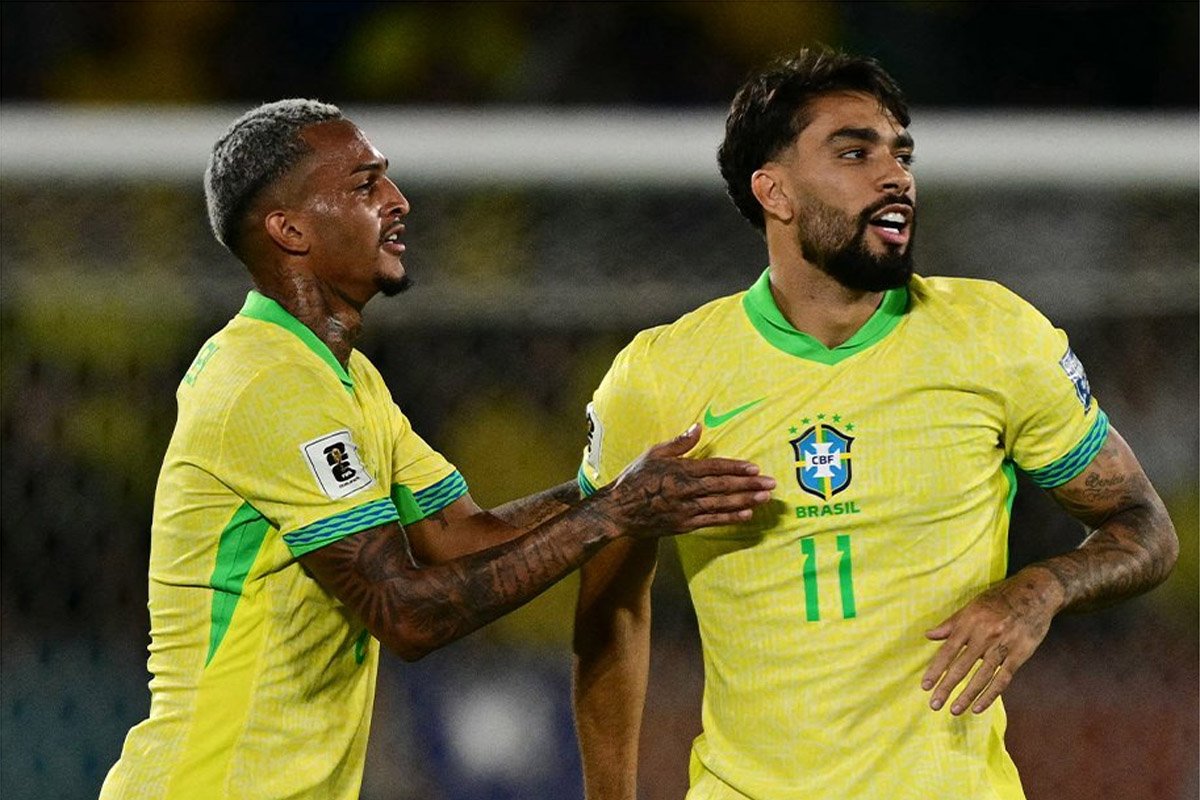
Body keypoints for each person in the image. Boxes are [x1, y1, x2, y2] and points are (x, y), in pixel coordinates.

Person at [98, 99, 778, 800]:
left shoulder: (343, 377)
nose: (399, 201)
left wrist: (615, 486)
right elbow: (408, 613)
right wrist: (613, 515)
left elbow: (461, 537)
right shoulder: (269, 385)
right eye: (365, 186)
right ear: (290, 229)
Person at [572, 49, 1179, 800]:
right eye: (855, 152)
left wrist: (1039, 590)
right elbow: (609, 608)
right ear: (775, 192)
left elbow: (1143, 525)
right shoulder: (663, 376)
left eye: (902, 154)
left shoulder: (994, 337)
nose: (895, 176)